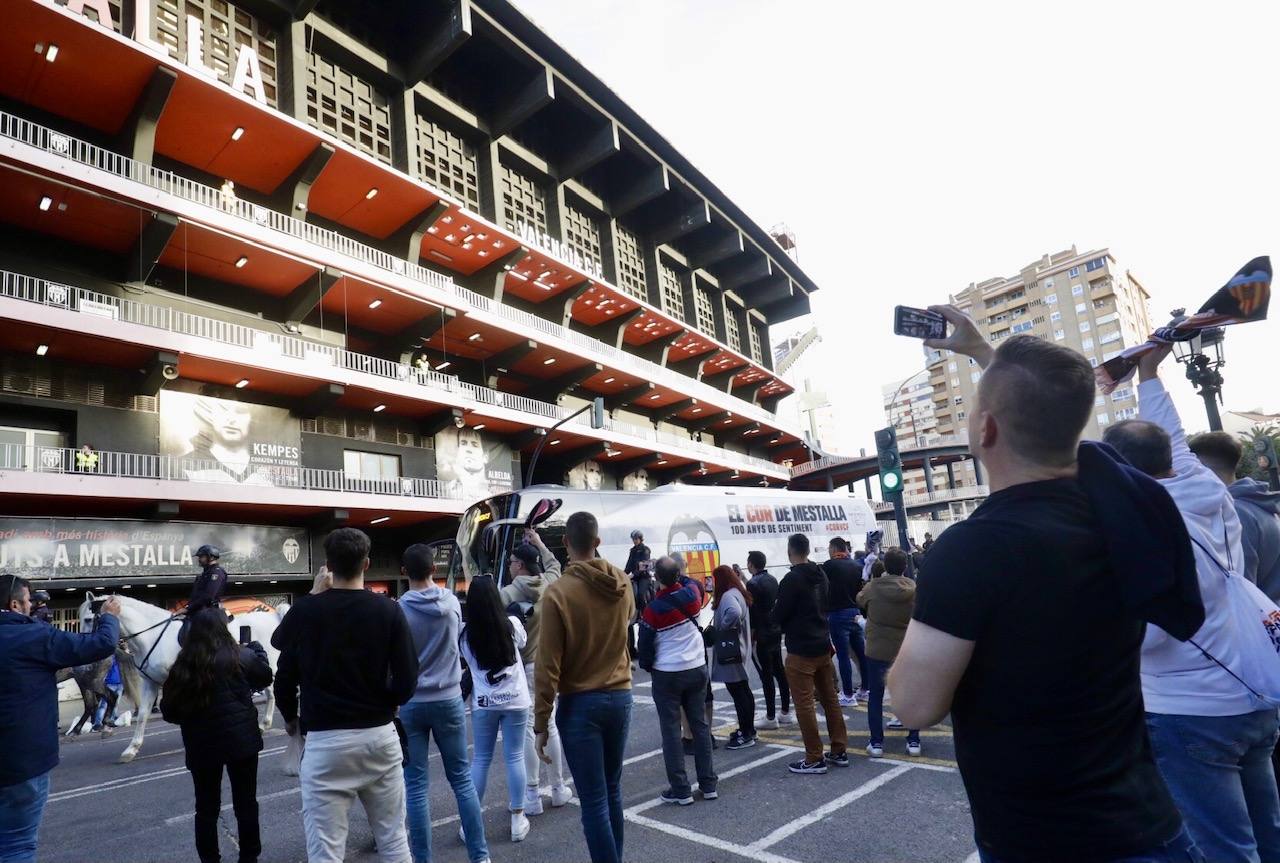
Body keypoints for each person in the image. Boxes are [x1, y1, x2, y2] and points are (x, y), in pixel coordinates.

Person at [889, 309, 1201, 863]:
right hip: (1150, 825)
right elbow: (1052, 419)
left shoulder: (972, 550)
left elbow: (913, 707)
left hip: (1046, 841)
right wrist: (985, 354)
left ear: (984, 429)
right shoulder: (1117, 508)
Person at [1105, 344, 1280, 862]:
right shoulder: (1207, 488)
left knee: (1223, 846)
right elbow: (1173, 442)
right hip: (1253, 693)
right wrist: (1148, 376)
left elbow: (1156, 633)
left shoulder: (1147, 529)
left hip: (1192, 711)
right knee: (1266, 831)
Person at [271, 528, 418, 863]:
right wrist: (390, 700)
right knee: (394, 841)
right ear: (366, 563)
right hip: (379, 735)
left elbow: (282, 645)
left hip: (325, 742)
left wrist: (291, 718)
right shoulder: (389, 610)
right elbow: (408, 679)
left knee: (326, 851)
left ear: (328, 566)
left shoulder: (307, 612)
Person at [534, 511, 634, 863]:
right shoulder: (622, 582)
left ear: (565, 544)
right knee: (612, 792)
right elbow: (628, 622)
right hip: (621, 696)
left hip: (580, 704)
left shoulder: (558, 594)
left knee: (593, 801)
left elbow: (548, 666)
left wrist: (541, 724)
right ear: (598, 542)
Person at [0, 575, 120, 863]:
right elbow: (100, 643)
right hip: (21, 762)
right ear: (15, 604)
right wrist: (109, 617)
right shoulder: (35, 634)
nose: (33, 605)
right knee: (17, 845)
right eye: (29, 601)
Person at [397, 544, 488, 863]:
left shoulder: (399, 610)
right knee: (461, 780)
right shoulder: (450, 603)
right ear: (433, 570)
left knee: (416, 785)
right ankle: (480, 855)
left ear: (404, 572)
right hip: (449, 699)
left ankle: (422, 859)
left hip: (411, 703)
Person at [160, 607, 273, 863]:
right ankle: (249, 856)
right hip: (241, 741)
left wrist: (192, 720)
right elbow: (265, 677)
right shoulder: (240, 656)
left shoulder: (183, 664)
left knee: (206, 808)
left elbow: (168, 710)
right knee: (246, 804)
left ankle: (210, 859)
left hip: (202, 745)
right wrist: (259, 653)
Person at [500, 530, 570, 817]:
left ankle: (531, 795)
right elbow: (555, 565)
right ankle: (557, 788)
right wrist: (540, 543)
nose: (509, 565)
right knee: (550, 724)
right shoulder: (550, 583)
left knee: (529, 728)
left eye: (512, 561)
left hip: (526, 665)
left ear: (519, 566)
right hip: (551, 664)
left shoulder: (507, 592)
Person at [637, 556, 716, 805]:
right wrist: (673, 572)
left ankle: (681, 790)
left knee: (671, 731)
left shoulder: (653, 610)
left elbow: (645, 649)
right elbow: (689, 581)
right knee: (700, 726)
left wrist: (649, 667)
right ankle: (709, 784)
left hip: (667, 672)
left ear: (656, 579)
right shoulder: (693, 594)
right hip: (696, 667)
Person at [460, 576, 532, 843]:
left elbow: (467, 664)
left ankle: (469, 825)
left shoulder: (465, 635)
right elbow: (523, 643)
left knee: (480, 760)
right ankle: (517, 818)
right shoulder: (511, 625)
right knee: (514, 757)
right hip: (515, 699)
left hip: (484, 703)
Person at [772, 533, 847, 774]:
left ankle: (814, 757)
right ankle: (839, 749)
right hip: (823, 642)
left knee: (804, 703)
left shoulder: (791, 579)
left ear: (790, 551)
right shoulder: (820, 573)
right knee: (830, 698)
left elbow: (779, 614)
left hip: (801, 647)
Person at [1190, 431, 1280, 601]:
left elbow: (1241, 590)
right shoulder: (1256, 503)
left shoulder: (1235, 515)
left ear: (1200, 468)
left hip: (1261, 622)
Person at [856, 548, 920, 758]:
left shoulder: (874, 587)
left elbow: (859, 599)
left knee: (876, 696)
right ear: (904, 567)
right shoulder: (913, 587)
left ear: (885, 565)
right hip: (905, 647)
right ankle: (913, 741)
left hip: (877, 649)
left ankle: (876, 743)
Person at [710, 564, 755, 750]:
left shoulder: (728, 596)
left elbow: (734, 613)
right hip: (740, 648)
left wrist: (722, 629)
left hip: (732, 650)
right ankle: (749, 730)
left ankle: (746, 734)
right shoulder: (738, 591)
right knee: (743, 690)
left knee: (738, 692)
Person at [745, 551, 791, 729]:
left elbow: (752, 612)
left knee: (766, 676)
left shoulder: (752, 584)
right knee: (780, 671)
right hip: (774, 630)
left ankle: (770, 717)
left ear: (751, 564)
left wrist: (750, 637)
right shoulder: (772, 580)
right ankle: (785, 712)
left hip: (761, 634)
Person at [822, 537, 869, 706]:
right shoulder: (857, 566)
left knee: (843, 656)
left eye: (829, 547)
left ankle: (848, 695)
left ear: (834, 548)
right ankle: (865, 689)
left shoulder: (828, 566)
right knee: (861, 653)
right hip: (855, 612)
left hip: (837, 614)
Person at [623, 530, 653, 662]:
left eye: (636, 538)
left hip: (643, 577)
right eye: (633, 538)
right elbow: (629, 564)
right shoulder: (632, 550)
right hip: (634, 576)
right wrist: (623, 574)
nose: (634, 540)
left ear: (640, 538)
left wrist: (633, 575)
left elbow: (643, 566)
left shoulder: (645, 550)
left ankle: (643, 612)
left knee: (640, 593)